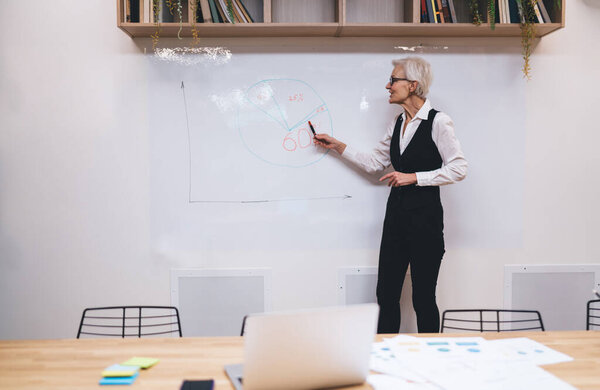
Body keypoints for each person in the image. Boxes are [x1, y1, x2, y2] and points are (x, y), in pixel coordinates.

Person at [314, 57, 467, 333]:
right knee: (385, 296)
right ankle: (386, 360)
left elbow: (459, 168)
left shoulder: (438, 122)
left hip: (426, 224)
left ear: (413, 85)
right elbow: (375, 163)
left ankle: (432, 362)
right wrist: (338, 146)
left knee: (423, 299)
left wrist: (415, 177)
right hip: (396, 220)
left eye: (393, 80)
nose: (388, 85)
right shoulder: (399, 122)